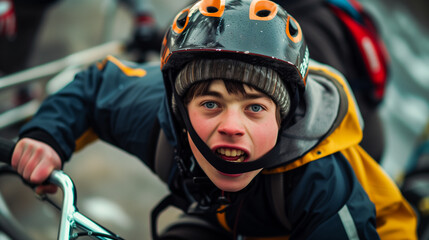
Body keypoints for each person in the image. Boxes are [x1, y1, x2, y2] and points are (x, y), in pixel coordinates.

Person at [10, 0, 416, 239]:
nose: (231, 126)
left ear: (286, 117)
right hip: (223, 210)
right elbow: (97, 85)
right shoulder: (155, 116)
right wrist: (48, 135)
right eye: (210, 104)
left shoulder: (321, 187)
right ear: (177, 107)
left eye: (256, 107)